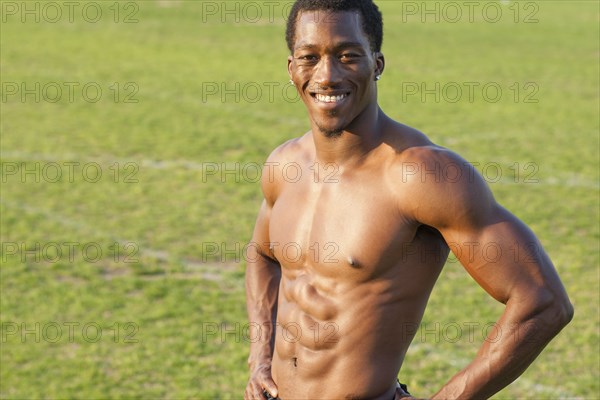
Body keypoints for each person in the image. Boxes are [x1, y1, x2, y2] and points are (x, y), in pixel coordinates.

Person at [244, 1, 573, 399]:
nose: (327, 75)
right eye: (310, 57)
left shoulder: (420, 174)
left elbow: (543, 300)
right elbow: (262, 254)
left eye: (348, 56)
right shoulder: (283, 166)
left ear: (377, 63)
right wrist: (260, 357)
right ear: (292, 68)